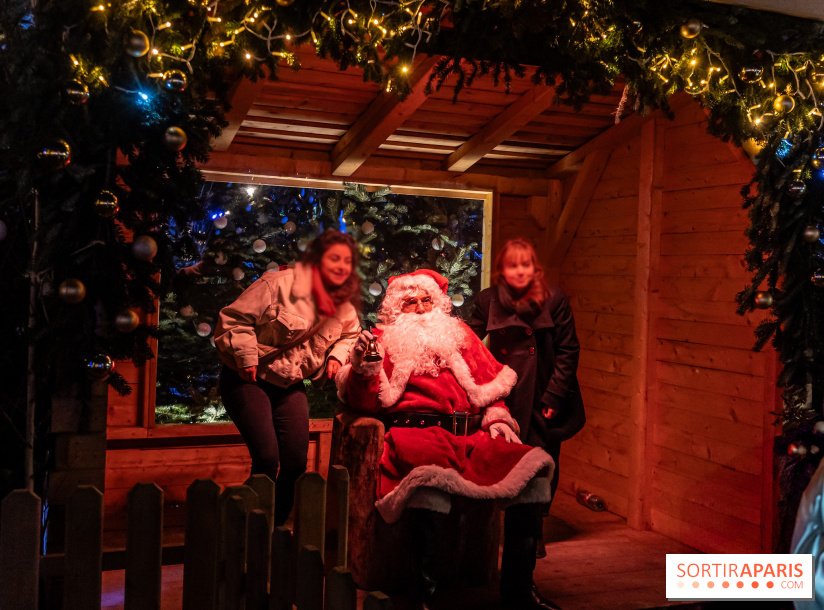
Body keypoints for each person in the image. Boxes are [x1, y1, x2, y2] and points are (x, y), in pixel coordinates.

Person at [335, 268, 560, 610]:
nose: (421, 308)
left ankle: (519, 590)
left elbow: (490, 386)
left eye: (427, 300)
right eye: (410, 302)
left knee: (532, 471)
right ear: (396, 309)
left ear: (438, 303)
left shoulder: (459, 334)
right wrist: (363, 369)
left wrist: (497, 416)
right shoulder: (382, 340)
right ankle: (426, 595)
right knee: (429, 484)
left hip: (471, 437)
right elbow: (364, 402)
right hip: (417, 435)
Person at [215, 230, 361, 525]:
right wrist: (246, 357)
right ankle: (238, 524)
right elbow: (233, 319)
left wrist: (336, 355)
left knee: (295, 463)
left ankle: (272, 527)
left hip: (289, 384)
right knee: (267, 459)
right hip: (249, 378)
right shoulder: (277, 284)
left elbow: (351, 334)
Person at [468, 238, 586, 558]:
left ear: (535, 268)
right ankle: (507, 531)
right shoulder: (488, 300)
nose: (519, 271)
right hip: (507, 392)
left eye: (526, 264)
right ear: (501, 270)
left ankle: (534, 532)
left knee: (543, 460)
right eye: (512, 265)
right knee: (509, 459)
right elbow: (470, 342)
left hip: (543, 392)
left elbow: (568, 350)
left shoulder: (554, 299)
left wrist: (555, 396)